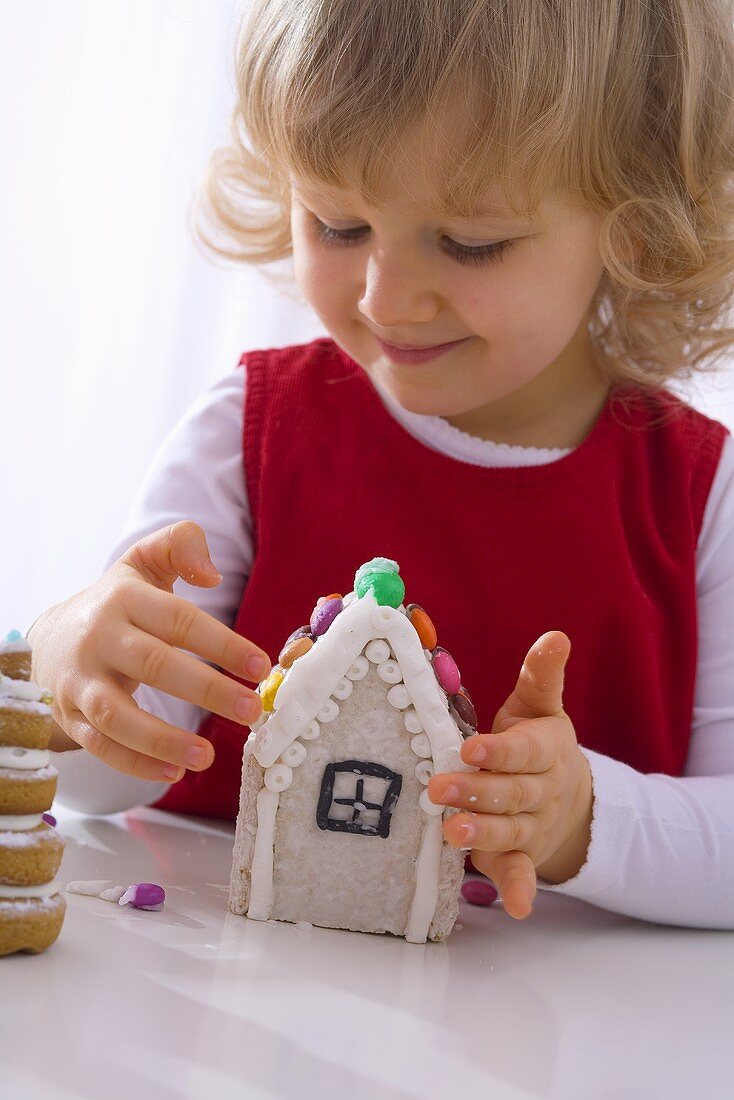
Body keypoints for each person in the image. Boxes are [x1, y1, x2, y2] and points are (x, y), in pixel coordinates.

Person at [28, 0, 734, 928]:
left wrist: (576, 817)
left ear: (636, 228)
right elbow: (93, 789)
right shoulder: (249, 432)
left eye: (471, 241)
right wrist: (64, 678)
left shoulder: (700, 497)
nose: (385, 300)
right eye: (336, 224)